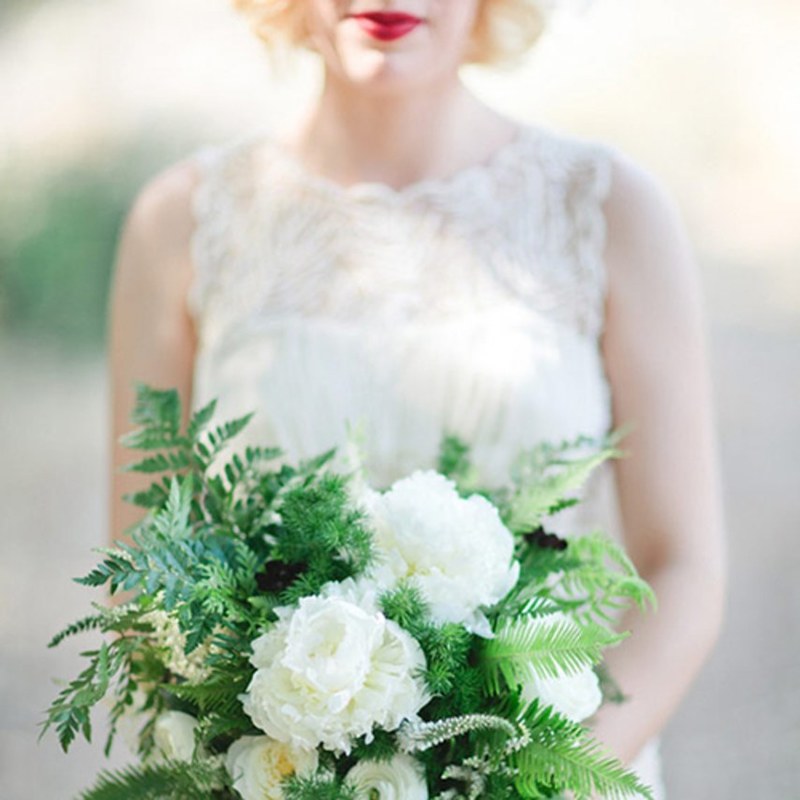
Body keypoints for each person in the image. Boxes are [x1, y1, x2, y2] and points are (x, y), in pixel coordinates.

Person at [108, 1, 726, 795]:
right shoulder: (181, 223)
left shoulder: (610, 211)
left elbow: (684, 569)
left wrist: (540, 775)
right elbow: (139, 578)